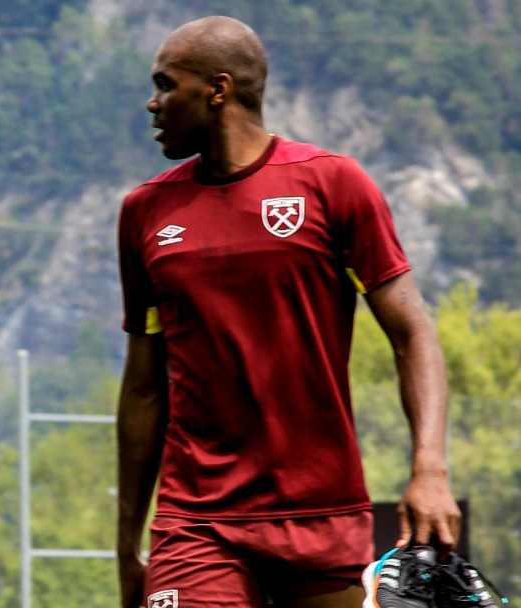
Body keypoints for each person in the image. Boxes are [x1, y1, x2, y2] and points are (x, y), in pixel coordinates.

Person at [115, 16, 461, 608]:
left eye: (166, 85)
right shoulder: (144, 213)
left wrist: (430, 470)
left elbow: (412, 333)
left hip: (323, 518)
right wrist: (126, 547)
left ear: (217, 90)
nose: (153, 104)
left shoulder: (333, 185)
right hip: (196, 522)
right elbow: (144, 387)